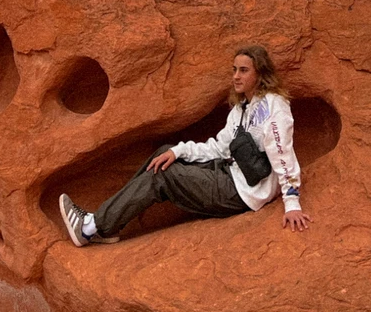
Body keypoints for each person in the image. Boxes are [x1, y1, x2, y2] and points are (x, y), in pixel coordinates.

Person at [59, 46, 312, 245]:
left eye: (244, 70)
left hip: (242, 191)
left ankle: (91, 227)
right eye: (234, 69)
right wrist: (177, 151)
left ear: (261, 74)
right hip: (226, 172)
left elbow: (282, 152)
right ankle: (107, 224)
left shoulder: (273, 106)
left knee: (162, 176)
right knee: (163, 155)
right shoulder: (241, 108)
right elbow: (219, 147)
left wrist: (292, 203)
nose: (236, 76)